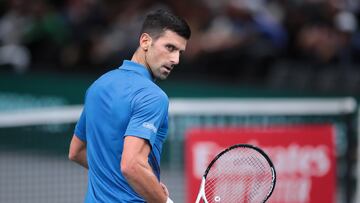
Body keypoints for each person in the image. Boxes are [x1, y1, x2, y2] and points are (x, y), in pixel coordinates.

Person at [68, 9, 191, 203]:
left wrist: (146, 184)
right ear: (145, 42)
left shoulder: (98, 85)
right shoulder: (153, 97)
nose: (176, 59)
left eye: (180, 52)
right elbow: (132, 166)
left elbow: (75, 152)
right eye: (170, 47)